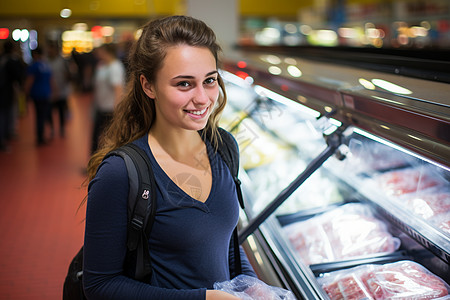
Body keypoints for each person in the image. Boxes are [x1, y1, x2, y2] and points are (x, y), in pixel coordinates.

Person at [82, 16, 257, 299]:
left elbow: (225, 244)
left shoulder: (224, 146)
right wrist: (204, 298)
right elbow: (100, 285)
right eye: (184, 84)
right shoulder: (120, 173)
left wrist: (251, 286)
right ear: (148, 86)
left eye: (209, 80)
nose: (202, 98)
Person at [25, 47, 53, 146]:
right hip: (46, 93)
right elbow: (51, 80)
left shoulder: (33, 66)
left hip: (37, 94)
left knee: (39, 116)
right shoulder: (46, 65)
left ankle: (40, 137)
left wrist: (26, 93)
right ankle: (44, 133)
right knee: (44, 114)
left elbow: (30, 80)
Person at [0, 40, 24, 151]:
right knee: (5, 115)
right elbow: (18, 76)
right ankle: (3, 138)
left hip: (4, 91)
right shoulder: (11, 61)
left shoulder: (2, 58)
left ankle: (5, 135)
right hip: (6, 92)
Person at [47, 42, 71, 138]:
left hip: (62, 91)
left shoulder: (62, 61)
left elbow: (68, 74)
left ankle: (62, 128)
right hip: (49, 92)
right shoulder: (46, 61)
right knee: (49, 112)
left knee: (61, 111)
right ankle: (52, 128)